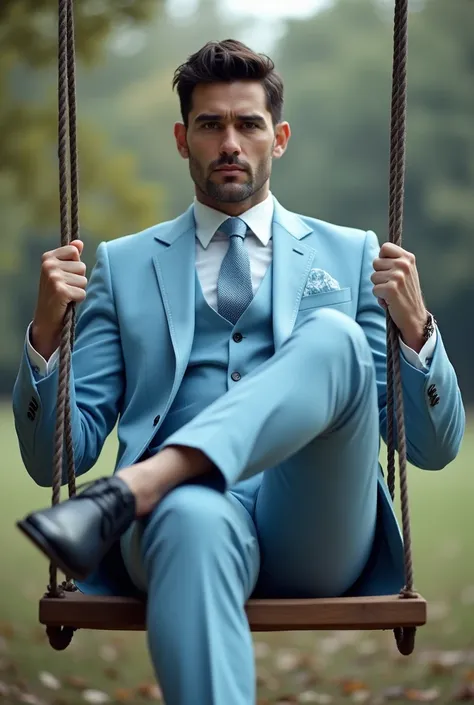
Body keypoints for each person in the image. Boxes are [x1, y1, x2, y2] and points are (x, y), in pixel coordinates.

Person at [13, 39, 464, 705]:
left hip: (313, 522)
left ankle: (138, 484)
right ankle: (159, 489)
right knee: (192, 518)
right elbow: (58, 457)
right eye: (210, 124)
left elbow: (432, 447)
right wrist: (46, 334)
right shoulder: (125, 265)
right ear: (181, 138)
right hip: (180, 521)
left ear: (278, 138)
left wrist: (419, 327)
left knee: (334, 336)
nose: (230, 142)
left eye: (248, 124)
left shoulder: (351, 255)